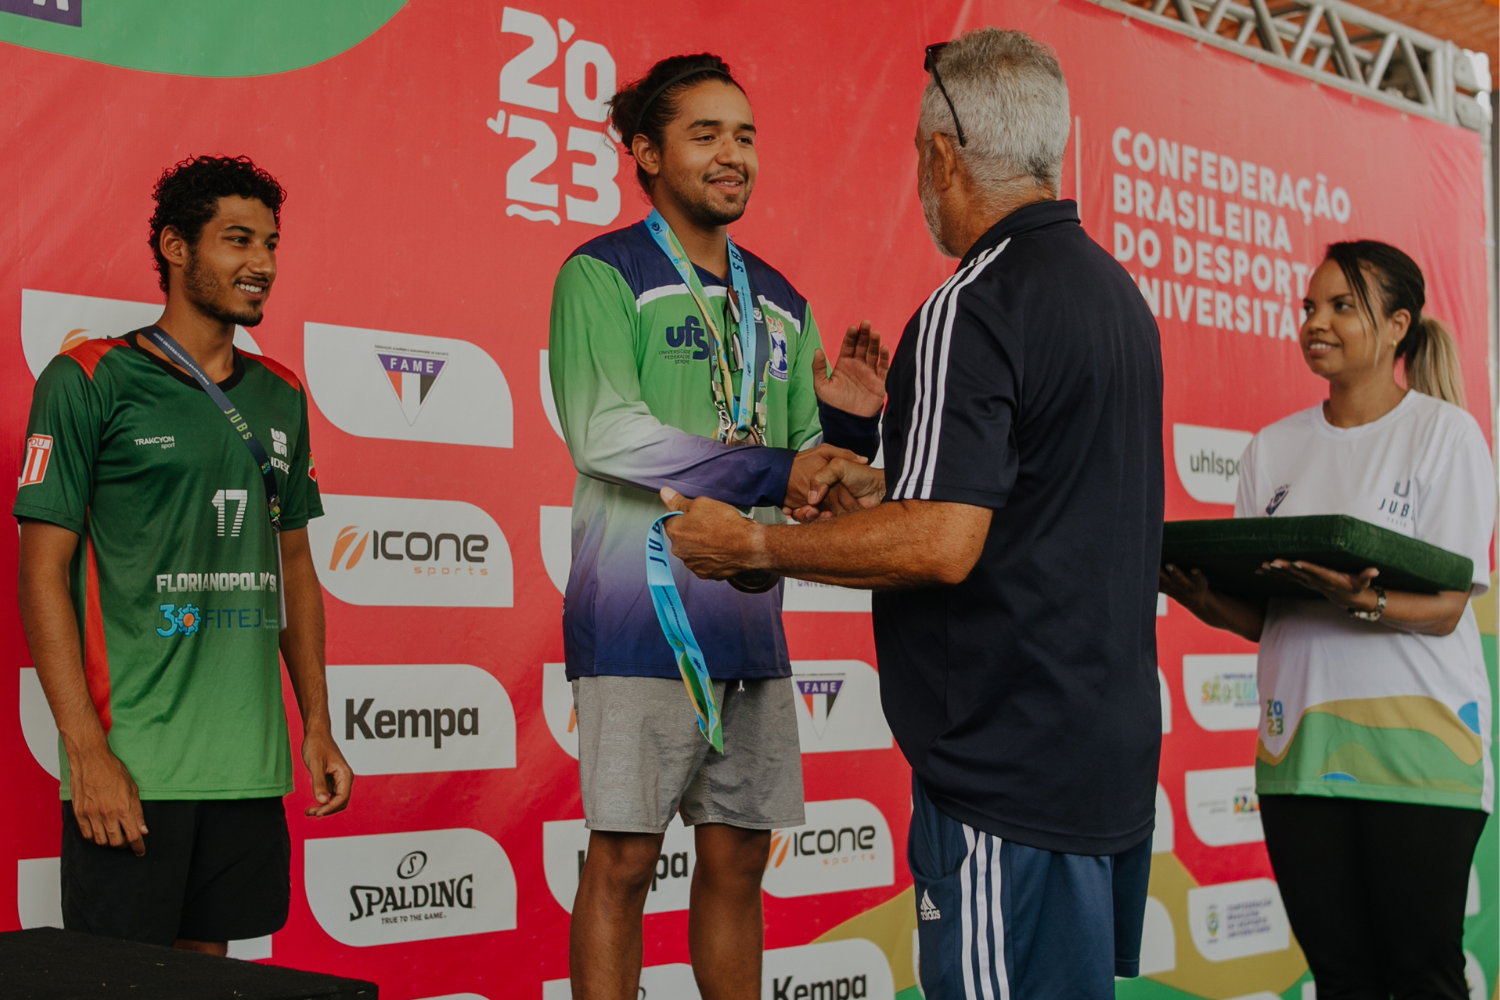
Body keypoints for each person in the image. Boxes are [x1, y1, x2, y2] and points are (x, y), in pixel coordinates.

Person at [659, 29, 1164, 999]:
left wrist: (756, 541)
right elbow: (1023, 504)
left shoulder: (972, 303)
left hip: (1005, 775)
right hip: (1098, 765)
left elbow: (943, 543)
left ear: (941, 154)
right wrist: (867, 487)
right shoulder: (1116, 296)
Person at [547, 54, 887, 1000]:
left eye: (745, 136)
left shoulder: (781, 300)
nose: (733, 155)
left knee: (739, 863)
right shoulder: (601, 273)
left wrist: (849, 432)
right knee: (621, 863)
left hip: (746, 622)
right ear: (646, 153)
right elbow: (607, 434)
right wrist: (781, 466)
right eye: (706, 135)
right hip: (637, 619)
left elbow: (810, 470)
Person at [15, 155, 351, 956]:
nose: (262, 263)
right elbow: (40, 574)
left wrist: (316, 726)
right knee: (122, 983)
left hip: (248, 766)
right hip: (134, 766)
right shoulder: (88, 376)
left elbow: (295, 567)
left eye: (271, 242)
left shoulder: (283, 393)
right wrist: (88, 754)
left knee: (213, 978)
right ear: (174, 246)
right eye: (238, 240)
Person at [1160, 241, 1493, 998]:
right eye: (1311, 305)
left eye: (1343, 305)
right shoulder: (1270, 450)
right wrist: (1206, 598)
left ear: (1398, 325)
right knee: (1342, 980)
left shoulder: (1445, 435)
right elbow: (1269, 617)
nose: (1317, 320)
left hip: (1421, 761)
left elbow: (1447, 609)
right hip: (1299, 759)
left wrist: (1365, 602)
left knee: (1420, 977)